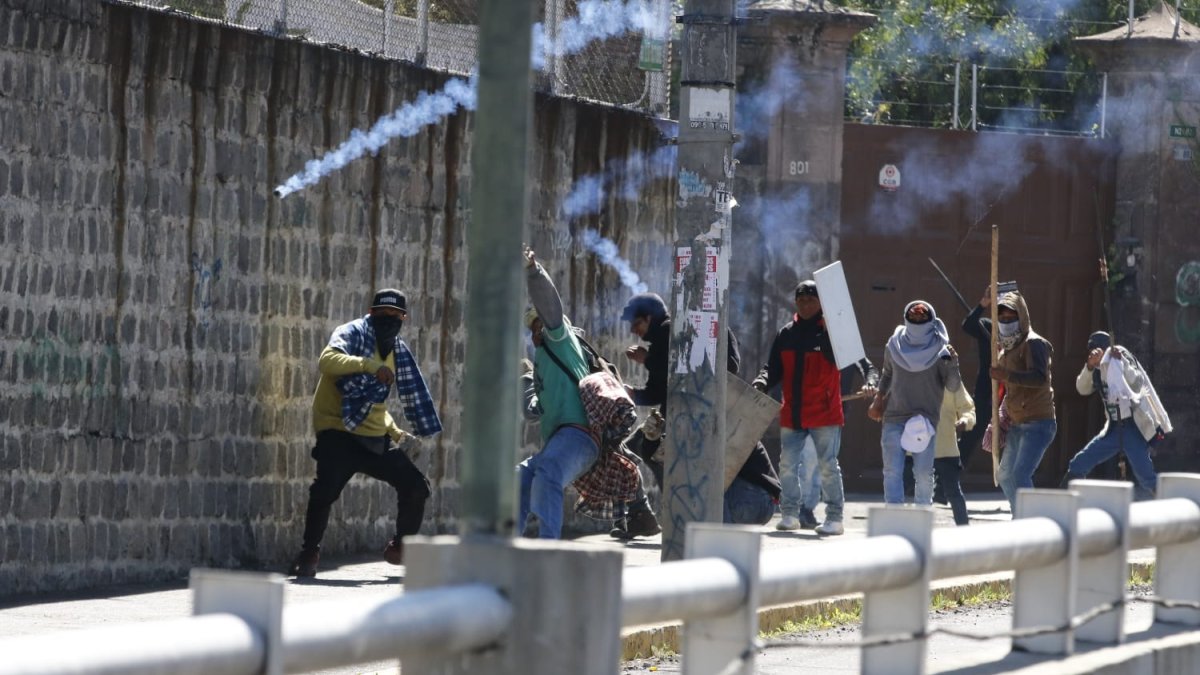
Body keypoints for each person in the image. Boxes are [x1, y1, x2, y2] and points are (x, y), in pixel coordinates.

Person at [287, 289, 442, 577]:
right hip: (338, 429)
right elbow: (327, 361)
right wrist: (370, 366)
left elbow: (375, 403)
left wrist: (395, 432)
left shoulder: (398, 351)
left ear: (403, 319)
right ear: (371, 313)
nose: (388, 321)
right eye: (382, 315)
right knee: (324, 491)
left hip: (373, 436)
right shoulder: (352, 333)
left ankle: (400, 547)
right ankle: (309, 552)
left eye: (395, 317)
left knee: (416, 487)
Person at [620, 292, 781, 529]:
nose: (635, 331)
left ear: (650, 318)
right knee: (641, 448)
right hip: (751, 499)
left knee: (683, 467)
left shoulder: (680, 331)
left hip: (751, 498)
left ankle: (674, 516)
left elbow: (717, 371)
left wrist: (649, 361)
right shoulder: (663, 341)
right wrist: (633, 394)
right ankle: (646, 514)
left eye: (637, 324)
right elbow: (659, 391)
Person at [754, 280, 878, 536]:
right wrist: (762, 381)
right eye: (801, 300)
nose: (805, 304)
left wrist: (871, 383)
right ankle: (789, 515)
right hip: (793, 412)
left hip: (825, 412)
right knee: (787, 465)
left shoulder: (834, 333)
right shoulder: (786, 334)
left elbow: (866, 365)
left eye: (811, 300)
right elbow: (772, 368)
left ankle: (834, 518)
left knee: (828, 466)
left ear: (822, 302)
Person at [517, 246, 602, 539]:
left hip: (580, 437)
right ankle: (505, 549)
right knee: (521, 478)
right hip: (559, 441)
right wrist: (526, 380)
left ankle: (547, 548)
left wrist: (532, 270)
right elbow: (532, 412)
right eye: (532, 327)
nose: (537, 331)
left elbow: (550, 307)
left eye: (539, 323)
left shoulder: (562, 340)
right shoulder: (541, 363)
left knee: (549, 470)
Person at [868, 300, 962, 506]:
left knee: (923, 473)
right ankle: (893, 515)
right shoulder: (893, 345)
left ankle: (922, 517)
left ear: (932, 320)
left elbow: (953, 386)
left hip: (925, 419)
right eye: (914, 317)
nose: (918, 320)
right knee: (892, 470)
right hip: (894, 416)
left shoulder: (942, 349)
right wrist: (879, 397)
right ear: (906, 318)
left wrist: (953, 364)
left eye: (922, 317)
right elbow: (887, 374)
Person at [1061, 331, 1171, 500]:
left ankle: (1171, 504)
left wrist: (1121, 363)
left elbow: (1137, 382)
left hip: (1131, 427)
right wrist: (1089, 366)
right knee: (1079, 463)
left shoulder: (1120, 356)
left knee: (1146, 477)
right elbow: (1082, 389)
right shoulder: (1096, 369)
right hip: (1112, 428)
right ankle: (1062, 500)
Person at [990, 291, 1056, 512]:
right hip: (1018, 423)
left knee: (1020, 474)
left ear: (1022, 317)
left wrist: (1006, 376)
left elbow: (1039, 378)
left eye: (1011, 318)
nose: (1006, 322)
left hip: (1038, 423)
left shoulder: (1034, 343)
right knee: (1004, 475)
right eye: (1003, 318)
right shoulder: (1006, 347)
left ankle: (1033, 520)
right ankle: (1021, 515)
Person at [934, 384, 975, 525]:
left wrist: (965, 420)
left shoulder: (951, 379)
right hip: (915, 450)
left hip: (946, 449)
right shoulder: (913, 374)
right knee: (905, 489)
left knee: (954, 493)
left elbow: (968, 408)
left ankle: (964, 532)